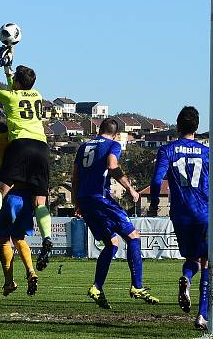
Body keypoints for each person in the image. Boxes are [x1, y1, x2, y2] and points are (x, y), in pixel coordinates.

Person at [0, 48, 55, 271]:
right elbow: (18, 86)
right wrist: (11, 69)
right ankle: (47, 237)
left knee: (0, 188)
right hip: (41, 147)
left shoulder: (10, 96)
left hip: (20, 145)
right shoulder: (37, 94)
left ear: (16, 83)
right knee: (40, 201)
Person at [73, 118, 160, 308]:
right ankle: (137, 286)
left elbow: (76, 175)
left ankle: (97, 287)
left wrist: (76, 202)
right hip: (100, 199)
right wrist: (130, 188)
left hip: (85, 200)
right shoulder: (112, 145)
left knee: (111, 243)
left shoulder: (84, 146)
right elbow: (112, 166)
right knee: (133, 237)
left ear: (99, 130)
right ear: (115, 134)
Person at [148, 106, 210, 330]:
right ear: (197, 126)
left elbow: (156, 181)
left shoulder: (167, 150)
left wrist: (154, 203)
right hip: (203, 212)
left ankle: (187, 279)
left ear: (177, 124)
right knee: (207, 262)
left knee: (191, 259)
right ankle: (202, 315)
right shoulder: (206, 152)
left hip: (180, 214)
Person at [0, 186, 39, 297]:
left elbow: (2, 181)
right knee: (19, 239)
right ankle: (31, 271)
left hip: (7, 196)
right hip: (26, 199)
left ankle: (9, 282)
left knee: (4, 241)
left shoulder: (5, 167)